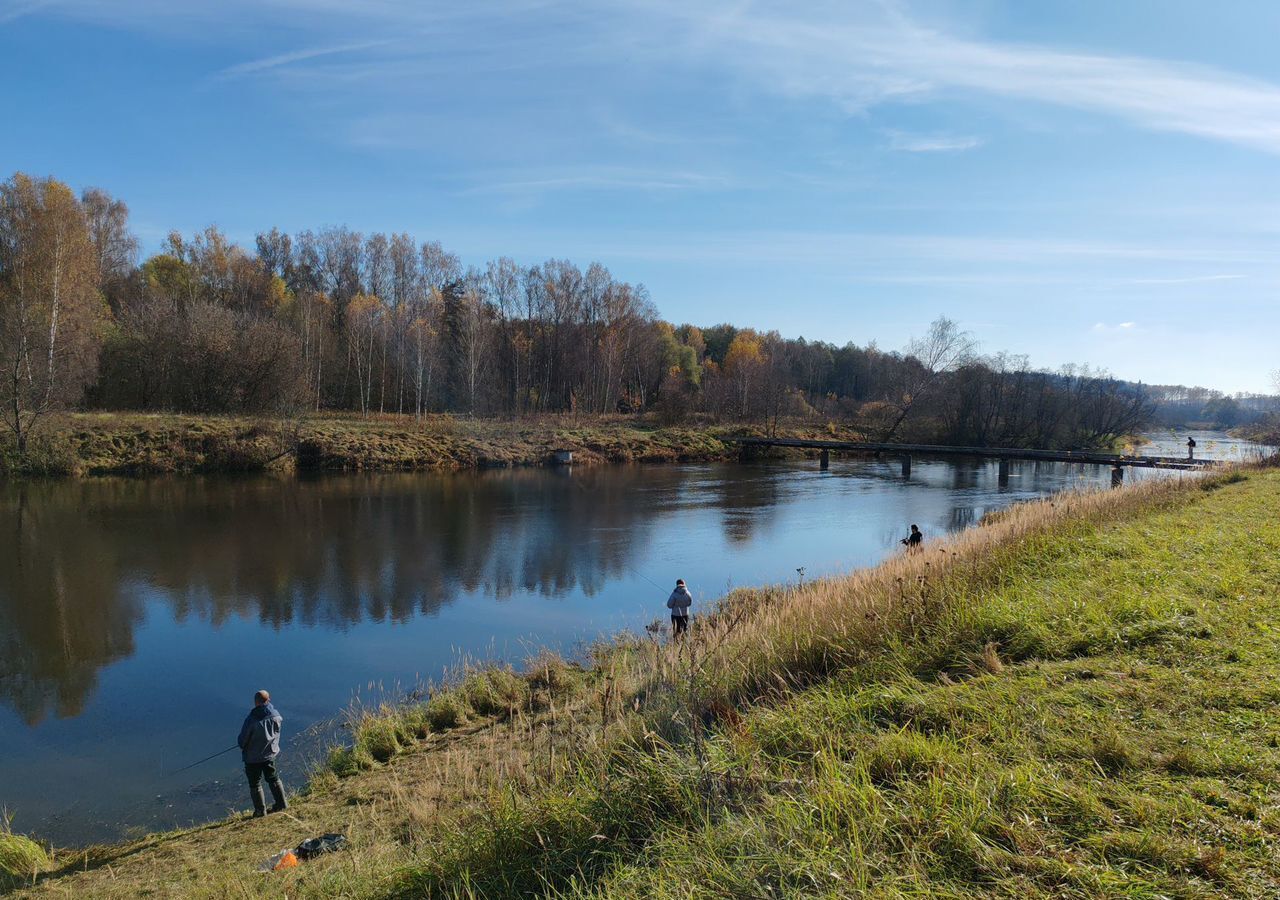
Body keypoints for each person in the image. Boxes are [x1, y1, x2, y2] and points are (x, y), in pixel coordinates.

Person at [238, 689, 287, 818]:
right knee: (273, 777)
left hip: (253, 758)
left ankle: (260, 811)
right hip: (270, 754)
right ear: (268, 699)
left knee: (255, 783)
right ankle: (282, 804)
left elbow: (242, 741)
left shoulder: (251, 720)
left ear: (255, 702)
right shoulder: (276, 715)